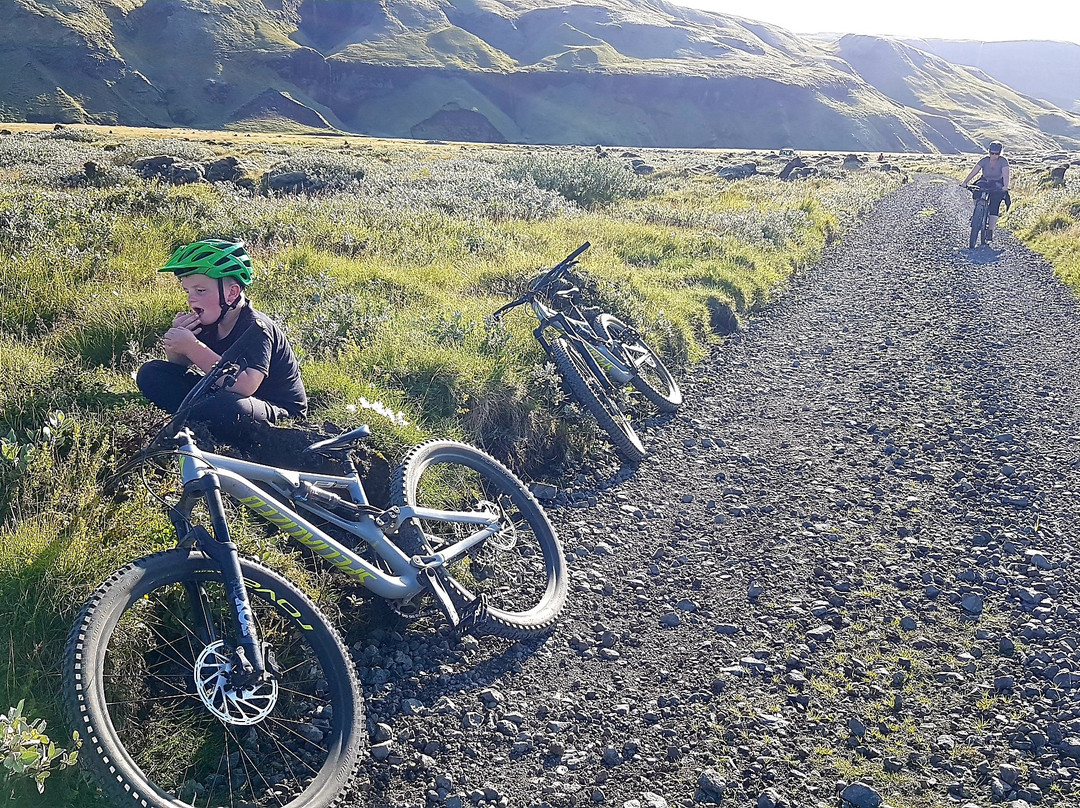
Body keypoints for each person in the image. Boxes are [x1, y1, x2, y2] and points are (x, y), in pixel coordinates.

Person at [136, 239, 307, 440]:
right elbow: (179, 367)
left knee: (223, 406)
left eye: (200, 291)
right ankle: (197, 419)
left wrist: (193, 348)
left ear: (232, 292)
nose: (191, 298)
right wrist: (178, 346)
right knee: (151, 373)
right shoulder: (210, 319)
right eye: (187, 291)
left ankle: (197, 418)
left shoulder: (256, 328)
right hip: (225, 395)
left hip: (275, 409)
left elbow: (245, 386)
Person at [962, 141, 1011, 242]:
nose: (994, 156)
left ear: (1000, 153)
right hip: (985, 180)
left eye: (997, 154)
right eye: (992, 153)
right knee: (976, 191)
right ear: (989, 152)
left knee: (995, 204)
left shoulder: (1003, 161)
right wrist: (965, 182)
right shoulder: (984, 160)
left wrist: (1005, 186)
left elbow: (1006, 175)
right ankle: (977, 211)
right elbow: (974, 171)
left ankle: (990, 231)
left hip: (998, 182)